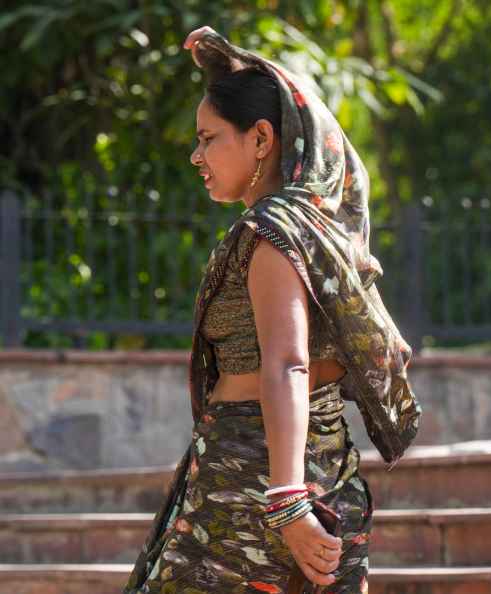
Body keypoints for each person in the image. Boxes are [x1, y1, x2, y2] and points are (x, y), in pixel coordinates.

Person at [124, 27, 421, 594]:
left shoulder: (270, 231)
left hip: (254, 482)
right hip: (330, 466)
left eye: (209, 138)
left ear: (261, 138)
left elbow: (287, 364)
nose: (196, 155)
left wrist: (285, 500)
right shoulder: (321, 230)